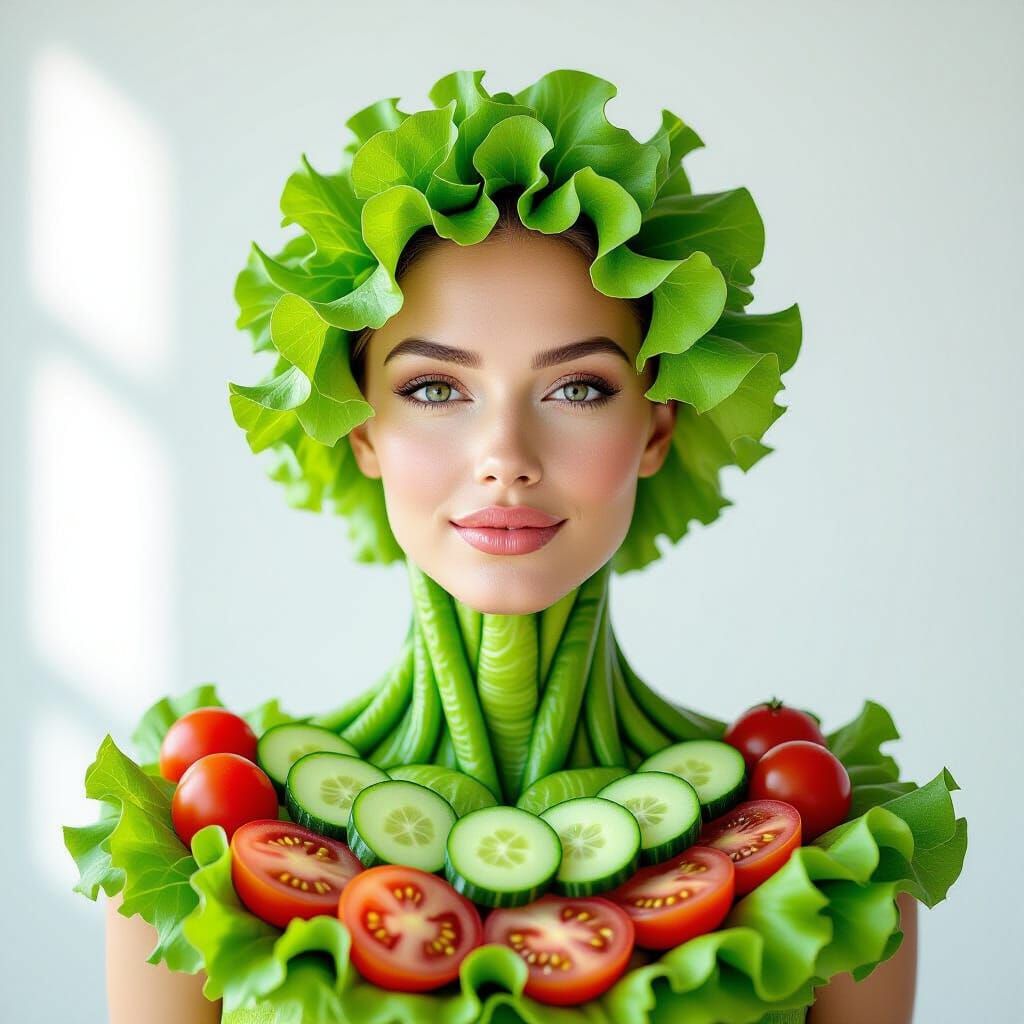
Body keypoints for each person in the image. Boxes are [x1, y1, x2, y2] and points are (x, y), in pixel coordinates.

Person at [98, 69, 947, 1024]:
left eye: (579, 387)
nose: (505, 458)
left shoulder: (828, 844)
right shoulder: (191, 837)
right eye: (432, 388)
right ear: (360, 428)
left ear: (659, 425)